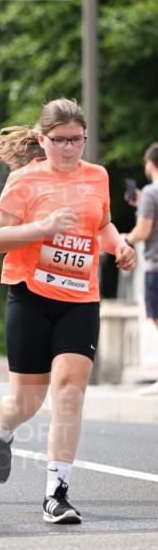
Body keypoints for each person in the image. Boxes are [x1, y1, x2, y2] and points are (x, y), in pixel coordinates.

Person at [0, 98, 136, 524]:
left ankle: (56, 493)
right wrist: (42, 228)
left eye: (77, 140)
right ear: (42, 139)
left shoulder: (97, 176)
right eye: (60, 140)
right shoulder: (24, 180)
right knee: (26, 402)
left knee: (70, 391)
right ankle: (1, 429)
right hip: (31, 295)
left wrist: (119, 246)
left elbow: (101, 225)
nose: (69, 148)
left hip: (80, 298)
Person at [123, 142, 158, 393]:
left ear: (150, 164)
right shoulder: (147, 196)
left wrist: (126, 240)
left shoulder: (150, 192)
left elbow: (144, 231)